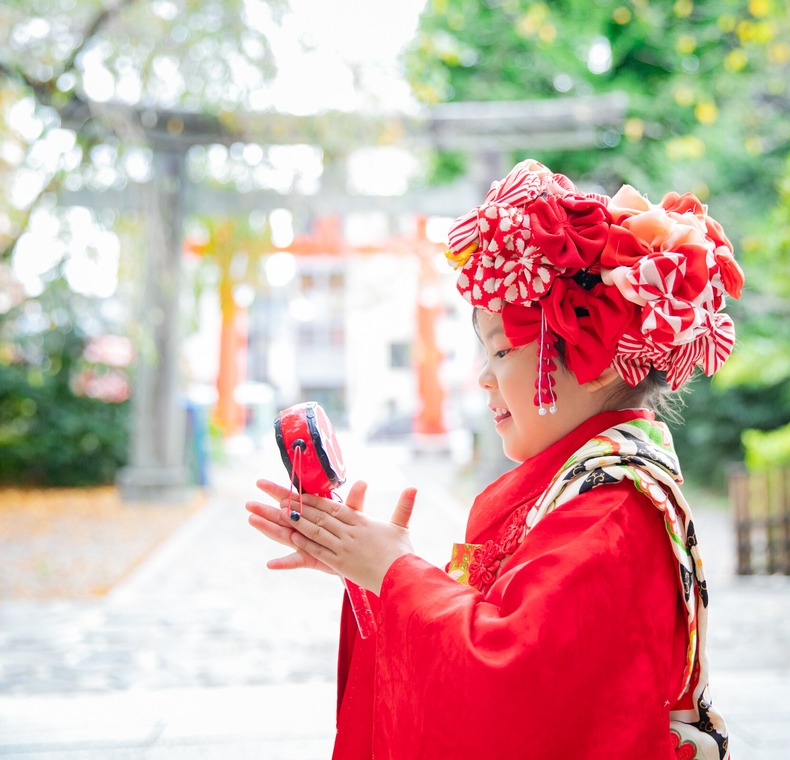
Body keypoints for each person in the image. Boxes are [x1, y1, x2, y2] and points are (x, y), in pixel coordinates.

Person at [246, 159, 744, 760]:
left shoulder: (611, 512)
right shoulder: (596, 491)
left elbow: (508, 686)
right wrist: (371, 575)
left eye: (504, 349)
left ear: (604, 361)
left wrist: (396, 574)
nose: (483, 378)